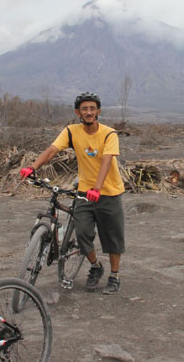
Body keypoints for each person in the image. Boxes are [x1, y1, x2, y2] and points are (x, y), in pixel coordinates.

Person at [20, 92, 126, 294]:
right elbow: (52, 150)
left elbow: (106, 161)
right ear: (78, 112)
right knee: (83, 233)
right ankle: (95, 266)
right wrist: (32, 167)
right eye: (84, 109)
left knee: (113, 236)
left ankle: (114, 276)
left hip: (109, 192)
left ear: (98, 111)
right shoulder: (71, 131)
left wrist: (98, 188)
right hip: (85, 192)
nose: (89, 112)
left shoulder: (109, 134)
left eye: (92, 108)